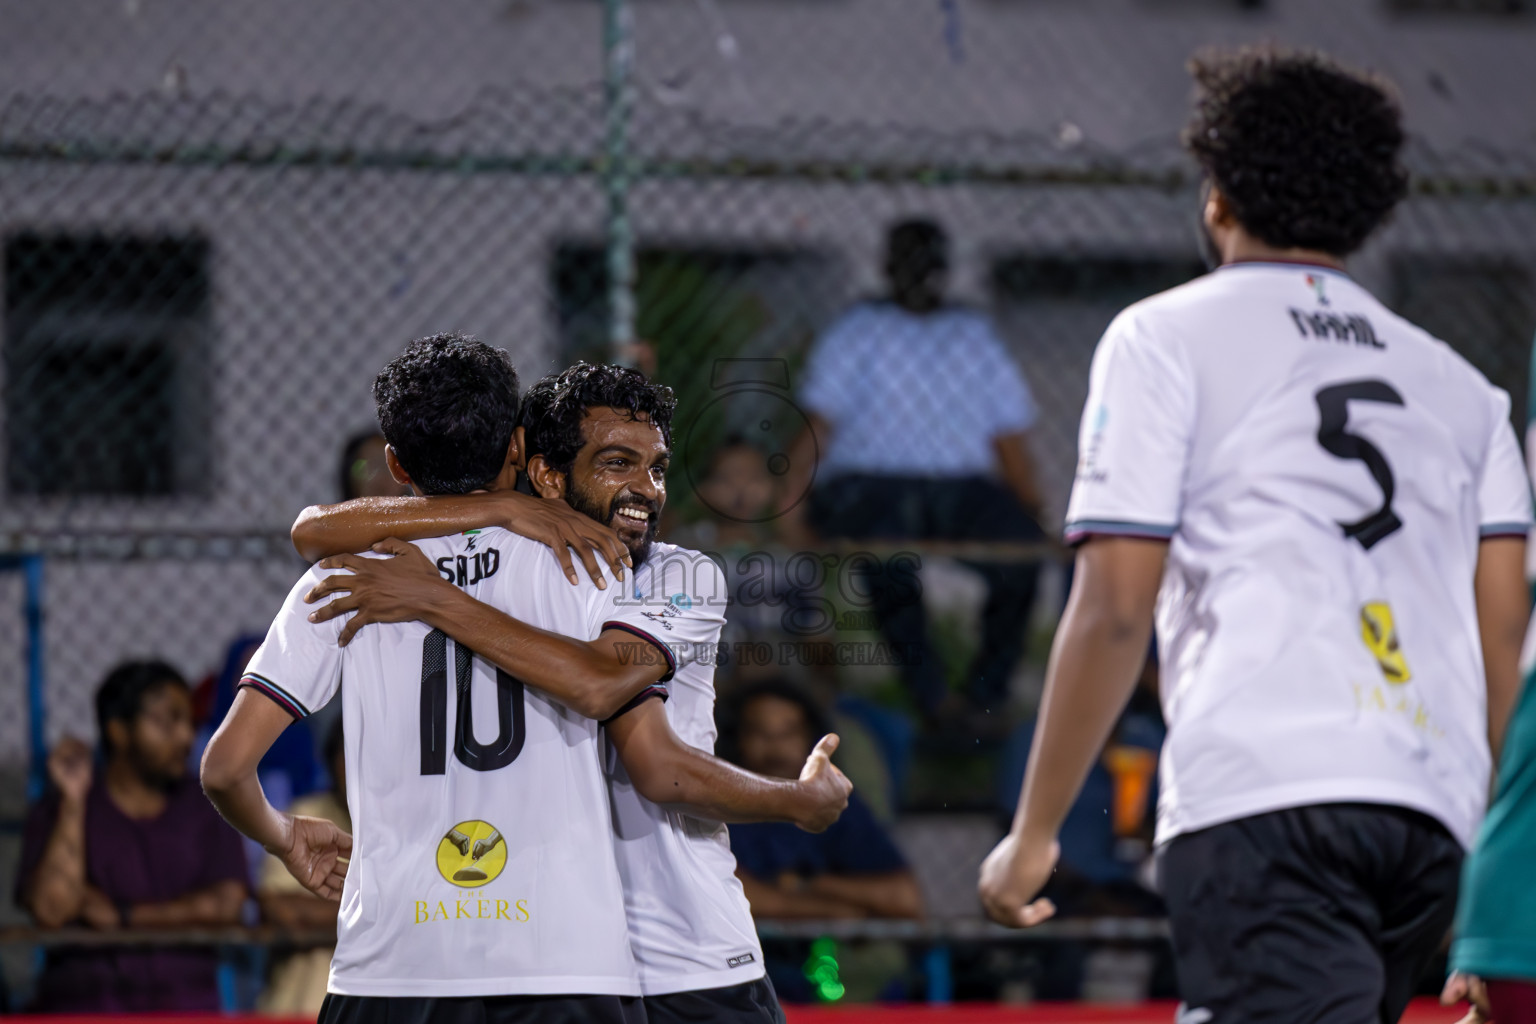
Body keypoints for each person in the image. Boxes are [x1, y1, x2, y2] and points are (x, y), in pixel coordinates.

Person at [978, 46, 1532, 1024]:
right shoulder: (1464, 389)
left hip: (1270, 793)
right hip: (1432, 813)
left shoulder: (1164, 337)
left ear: (1219, 196)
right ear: (1369, 210)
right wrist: (1492, 884)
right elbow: (1502, 646)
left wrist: (1034, 831)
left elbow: (1113, 607)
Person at [205, 343, 848, 1024]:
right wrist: (495, 516)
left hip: (671, 952)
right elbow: (314, 527)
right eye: (617, 463)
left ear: (396, 465)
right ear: (530, 464)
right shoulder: (593, 573)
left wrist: (435, 594)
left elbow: (614, 704)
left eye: (657, 468)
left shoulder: (664, 573)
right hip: (567, 960)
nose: (647, 490)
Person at [785, 218, 1046, 718]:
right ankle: (932, 698)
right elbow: (819, 423)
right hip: (869, 483)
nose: (918, 274)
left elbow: (1008, 433)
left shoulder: (971, 333)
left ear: (944, 270)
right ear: (886, 267)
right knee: (886, 553)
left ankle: (984, 701)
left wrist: (1029, 506)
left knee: (1022, 558)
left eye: (928, 262)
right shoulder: (859, 329)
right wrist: (790, 500)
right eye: (906, 260)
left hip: (958, 486)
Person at [15, 661, 248, 1012]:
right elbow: (51, 909)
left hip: (184, 1008)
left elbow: (227, 904)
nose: (186, 736)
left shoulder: (207, 806)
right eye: (169, 721)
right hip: (84, 1008)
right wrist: (74, 801)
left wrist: (123, 918)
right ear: (119, 731)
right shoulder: (63, 806)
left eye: (189, 722)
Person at [723, 682, 923, 1003]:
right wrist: (835, 912)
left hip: (834, 979)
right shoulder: (720, 805)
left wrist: (806, 883)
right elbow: (738, 896)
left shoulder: (839, 806)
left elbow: (904, 898)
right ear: (738, 740)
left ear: (811, 737)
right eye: (760, 733)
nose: (775, 747)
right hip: (743, 976)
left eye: (788, 732)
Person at [256, 718, 350, 1017]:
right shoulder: (305, 816)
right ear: (331, 761)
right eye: (351, 754)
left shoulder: (418, 826)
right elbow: (281, 908)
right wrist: (386, 914)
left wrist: (324, 914)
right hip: (301, 1007)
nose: (365, 768)